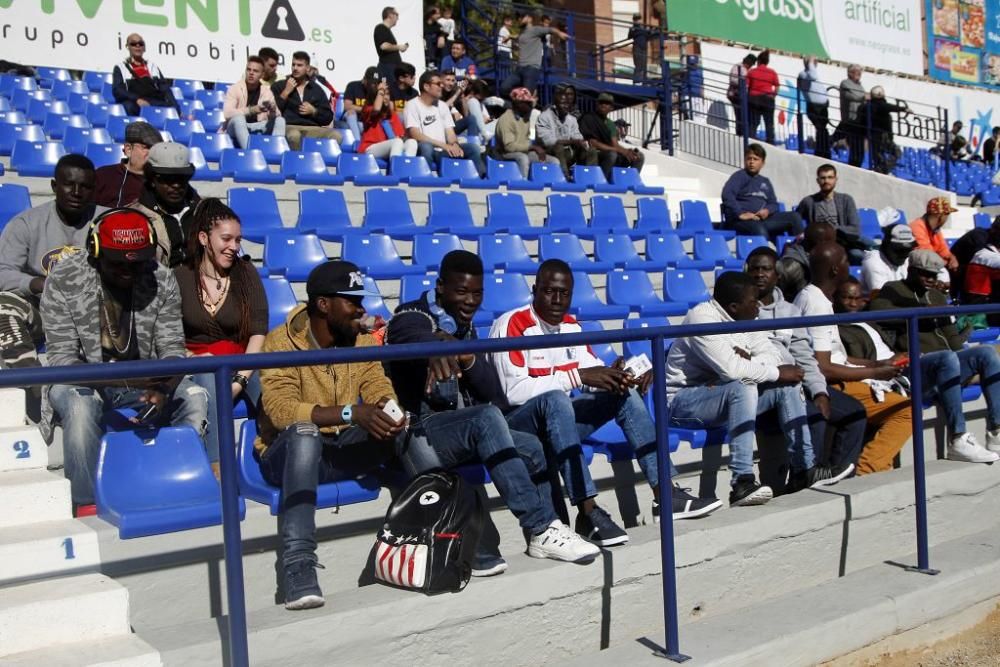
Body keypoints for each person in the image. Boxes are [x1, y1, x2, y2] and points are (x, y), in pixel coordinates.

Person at [385, 250, 601, 572]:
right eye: (462, 291)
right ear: (441, 287)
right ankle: (540, 525)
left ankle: (548, 532)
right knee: (488, 419)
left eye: (477, 293)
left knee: (532, 446)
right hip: (423, 431)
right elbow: (407, 333)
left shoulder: (465, 327)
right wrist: (431, 347)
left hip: (463, 427)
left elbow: (495, 394)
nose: (471, 301)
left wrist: (468, 357)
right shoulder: (412, 315)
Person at [490, 260, 723, 527]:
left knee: (622, 396)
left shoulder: (570, 325)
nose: (556, 300)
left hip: (558, 422)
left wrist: (610, 376)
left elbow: (588, 371)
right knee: (556, 400)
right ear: (534, 290)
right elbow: (513, 393)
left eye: (564, 293)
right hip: (519, 429)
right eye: (549, 291)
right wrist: (580, 376)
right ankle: (588, 511)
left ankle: (666, 495)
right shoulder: (511, 324)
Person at [256, 260, 409, 609]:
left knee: (406, 428)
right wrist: (350, 412)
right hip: (286, 455)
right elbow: (282, 412)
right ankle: (298, 565)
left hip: (339, 449)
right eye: (352, 301)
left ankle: (432, 531)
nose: (362, 309)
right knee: (306, 432)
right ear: (324, 304)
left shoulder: (361, 339)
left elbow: (377, 384)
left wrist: (389, 410)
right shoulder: (280, 343)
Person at [40, 209, 209, 513]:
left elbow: (172, 347)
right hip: (81, 379)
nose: (129, 270)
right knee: (80, 406)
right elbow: (63, 361)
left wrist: (166, 387)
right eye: (118, 262)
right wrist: (133, 380)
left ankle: (178, 484)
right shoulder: (64, 279)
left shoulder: (160, 276)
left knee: (195, 396)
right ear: (95, 250)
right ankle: (86, 503)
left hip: (145, 376)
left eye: (139, 260)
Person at [665, 272, 846, 506]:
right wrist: (763, 369)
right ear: (733, 306)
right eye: (753, 301)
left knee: (786, 385)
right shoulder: (701, 318)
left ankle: (803, 470)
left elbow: (772, 354)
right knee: (743, 386)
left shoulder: (746, 318)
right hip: (683, 403)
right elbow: (732, 370)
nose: (759, 306)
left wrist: (749, 362)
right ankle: (741, 482)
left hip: (721, 394)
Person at [869, 250, 1000, 462]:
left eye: (934, 274)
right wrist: (922, 309)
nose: (931, 279)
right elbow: (877, 308)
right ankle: (957, 439)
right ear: (911, 270)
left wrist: (966, 359)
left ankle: (996, 432)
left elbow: (951, 336)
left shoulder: (938, 295)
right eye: (925, 274)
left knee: (986, 352)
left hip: (947, 366)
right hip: (918, 368)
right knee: (947, 358)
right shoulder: (893, 289)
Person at [794, 243, 912, 475]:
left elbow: (838, 357)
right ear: (836, 270)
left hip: (842, 377)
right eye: (847, 261)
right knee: (907, 409)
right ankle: (868, 469)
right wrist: (876, 373)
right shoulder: (815, 303)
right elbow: (823, 368)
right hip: (831, 385)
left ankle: (874, 465)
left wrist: (878, 364)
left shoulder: (820, 299)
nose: (851, 265)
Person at [747, 247, 866, 477]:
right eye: (755, 269)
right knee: (813, 416)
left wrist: (819, 391)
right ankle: (807, 478)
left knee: (855, 413)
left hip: (799, 381)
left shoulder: (790, 311)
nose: (760, 274)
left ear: (777, 276)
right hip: (768, 386)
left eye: (766, 269)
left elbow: (804, 354)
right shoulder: (741, 309)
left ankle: (837, 475)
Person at [0, 155, 107, 403]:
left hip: (96, 312)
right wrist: (39, 284)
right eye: (69, 184)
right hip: (42, 309)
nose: (77, 192)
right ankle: (32, 381)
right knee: (3, 306)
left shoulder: (107, 221)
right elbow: (3, 272)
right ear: (53, 186)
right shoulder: (26, 223)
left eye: (86, 186)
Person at [174, 199, 267, 474]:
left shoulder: (246, 273)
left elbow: (258, 332)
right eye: (226, 238)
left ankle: (279, 452)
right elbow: (168, 332)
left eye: (238, 240)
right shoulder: (179, 276)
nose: (234, 247)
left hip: (243, 360)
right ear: (204, 238)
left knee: (270, 390)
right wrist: (194, 356)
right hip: (199, 361)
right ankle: (218, 469)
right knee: (207, 377)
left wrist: (240, 380)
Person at [128, 142, 200, 268]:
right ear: (152, 180)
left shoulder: (203, 210)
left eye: (182, 178)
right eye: (168, 179)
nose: (176, 185)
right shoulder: (134, 216)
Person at [404, 70, 485, 177]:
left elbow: (450, 133)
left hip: (442, 151)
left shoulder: (442, 106)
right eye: (438, 84)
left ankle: (480, 181)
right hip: (426, 149)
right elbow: (416, 135)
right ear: (426, 86)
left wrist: (455, 145)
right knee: (426, 147)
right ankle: (423, 180)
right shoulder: (412, 105)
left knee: (473, 148)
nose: (442, 86)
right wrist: (445, 145)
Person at [721, 143, 803, 242]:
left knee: (794, 217)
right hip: (741, 221)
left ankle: (800, 251)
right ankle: (766, 255)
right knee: (758, 228)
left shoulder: (765, 181)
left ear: (762, 163)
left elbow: (773, 203)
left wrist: (767, 210)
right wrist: (740, 214)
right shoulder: (739, 176)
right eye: (749, 158)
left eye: (755, 159)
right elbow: (727, 194)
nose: (751, 162)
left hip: (762, 219)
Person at [795, 164, 868, 264]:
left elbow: (855, 229)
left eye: (830, 177)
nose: (826, 181)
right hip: (820, 243)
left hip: (842, 241)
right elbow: (796, 218)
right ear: (818, 180)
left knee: (858, 255)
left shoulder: (846, 200)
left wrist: (834, 229)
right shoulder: (809, 201)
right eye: (823, 178)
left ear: (836, 179)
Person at [271, 51, 338, 151]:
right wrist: (286, 92)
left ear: (307, 68)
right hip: (289, 126)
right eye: (293, 65)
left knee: (336, 136)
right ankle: (297, 162)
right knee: (294, 135)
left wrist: (314, 111)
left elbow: (328, 117)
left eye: (299, 65)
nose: (295, 68)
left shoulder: (316, 89)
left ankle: (318, 164)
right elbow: (272, 112)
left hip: (312, 128)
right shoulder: (279, 85)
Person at [535, 83, 598, 181]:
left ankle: (589, 178)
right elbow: (548, 141)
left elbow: (577, 136)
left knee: (591, 151)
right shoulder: (544, 116)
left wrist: (581, 142)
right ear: (556, 102)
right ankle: (564, 177)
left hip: (568, 152)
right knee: (558, 147)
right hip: (548, 152)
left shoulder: (571, 119)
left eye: (568, 105)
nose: (566, 106)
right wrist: (572, 142)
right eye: (563, 103)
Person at [354, 66, 418, 161]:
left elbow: (399, 136)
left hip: (388, 146)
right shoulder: (367, 108)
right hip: (369, 148)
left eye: (387, 94)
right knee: (396, 142)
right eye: (383, 95)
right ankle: (396, 170)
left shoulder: (391, 113)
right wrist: (381, 91)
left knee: (412, 142)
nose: (386, 97)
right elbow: (376, 109)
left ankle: (406, 168)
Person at [494, 87, 560, 178]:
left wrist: (539, 148)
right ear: (517, 104)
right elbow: (509, 146)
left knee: (554, 161)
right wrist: (532, 147)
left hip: (524, 152)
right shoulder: (506, 119)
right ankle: (522, 185)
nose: (531, 106)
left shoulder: (525, 119)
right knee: (523, 158)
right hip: (504, 154)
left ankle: (550, 186)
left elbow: (526, 141)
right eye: (528, 103)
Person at [93, 121, 162, 208]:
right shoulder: (103, 175)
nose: (153, 153)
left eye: (156, 148)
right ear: (128, 149)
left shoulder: (161, 181)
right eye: (147, 147)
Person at [223, 56, 286, 150]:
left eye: (255, 71)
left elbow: (276, 115)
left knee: (280, 120)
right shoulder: (235, 88)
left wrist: (273, 109)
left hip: (257, 126)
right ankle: (250, 153)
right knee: (239, 119)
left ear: (262, 75)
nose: (251, 73)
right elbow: (227, 113)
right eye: (249, 70)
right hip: (235, 127)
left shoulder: (266, 92)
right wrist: (251, 110)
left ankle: (275, 151)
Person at [579, 92, 644, 181]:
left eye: (607, 104)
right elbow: (593, 143)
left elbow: (615, 144)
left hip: (610, 151)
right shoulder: (588, 118)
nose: (603, 105)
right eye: (601, 103)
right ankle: (602, 181)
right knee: (612, 155)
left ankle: (629, 181)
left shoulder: (610, 124)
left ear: (611, 108)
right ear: (597, 104)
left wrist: (627, 151)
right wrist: (619, 150)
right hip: (594, 153)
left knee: (639, 156)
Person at [500, 13, 568, 97]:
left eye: (521, 17)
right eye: (518, 18)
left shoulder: (536, 30)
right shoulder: (522, 33)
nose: (519, 20)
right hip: (519, 69)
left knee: (526, 96)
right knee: (504, 88)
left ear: (529, 18)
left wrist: (560, 33)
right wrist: (509, 36)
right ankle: (518, 101)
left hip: (531, 69)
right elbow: (518, 36)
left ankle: (530, 99)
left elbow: (551, 29)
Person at [111, 33, 178, 116]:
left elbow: (165, 89)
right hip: (134, 102)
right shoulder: (121, 67)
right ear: (128, 47)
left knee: (170, 109)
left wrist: (177, 110)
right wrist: (137, 99)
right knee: (129, 106)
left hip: (153, 101)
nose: (137, 46)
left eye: (141, 44)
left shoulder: (152, 66)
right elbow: (118, 90)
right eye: (133, 44)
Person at [778, 220, 837, 301]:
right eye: (831, 243)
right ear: (820, 243)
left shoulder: (824, 260)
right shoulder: (790, 266)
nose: (834, 247)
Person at [860, 224, 915, 298]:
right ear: (886, 246)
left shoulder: (907, 259)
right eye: (900, 250)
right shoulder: (874, 262)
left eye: (908, 250)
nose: (904, 255)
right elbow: (883, 299)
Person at [861, 86, 907, 174]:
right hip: (882, 135)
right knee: (896, 153)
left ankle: (881, 168)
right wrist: (903, 109)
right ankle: (883, 168)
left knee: (878, 155)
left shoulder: (868, 106)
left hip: (874, 135)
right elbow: (887, 107)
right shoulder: (879, 105)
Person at [797, 56, 830, 158]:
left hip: (822, 107)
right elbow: (813, 76)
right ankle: (821, 152)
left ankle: (824, 152)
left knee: (823, 130)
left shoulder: (810, 74)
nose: (816, 64)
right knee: (821, 130)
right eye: (814, 62)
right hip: (814, 108)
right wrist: (810, 63)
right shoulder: (804, 74)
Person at [834, 65, 866, 167]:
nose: (859, 75)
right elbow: (853, 97)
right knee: (853, 144)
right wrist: (864, 97)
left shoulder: (860, 86)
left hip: (859, 121)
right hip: (850, 119)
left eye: (860, 73)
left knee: (858, 146)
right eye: (857, 72)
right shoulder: (845, 84)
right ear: (850, 73)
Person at [746, 50, 779, 145]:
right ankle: (770, 142)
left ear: (758, 61)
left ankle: (751, 141)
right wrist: (773, 95)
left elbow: (746, 86)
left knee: (753, 123)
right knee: (769, 123)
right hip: (768, 99)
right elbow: (777, 86)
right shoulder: (772, 72)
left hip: (754, 99)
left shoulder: (752, 72)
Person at [374, 6, 408, 84]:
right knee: (390, 90)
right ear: (390, 15)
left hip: (392, 67)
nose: (398, 18)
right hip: (387, 68)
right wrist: (399, 47)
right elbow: (384, 46)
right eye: (397, 15)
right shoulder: (381, 28)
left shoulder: (386, 30)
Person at [727, 53, 756, 137]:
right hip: (736, 94)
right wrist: (744, 82)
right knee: (739, 114)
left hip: (742, 95)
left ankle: (744, 133)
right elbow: (733, 80)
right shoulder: (737, 67)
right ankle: (740, 133)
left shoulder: (747, 70)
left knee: (743, 115)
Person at [628, 13, 651, 83]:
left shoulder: (643, 28)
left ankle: (644, 81)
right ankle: (636, 81)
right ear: (633, 20)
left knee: (644, 64)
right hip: (637, 47)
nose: (637, 20)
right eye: (636, 19)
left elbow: (648, 35)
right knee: (638, 64)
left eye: (638, 19)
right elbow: (629, 36)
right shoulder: (633, 28)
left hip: (643, 47)